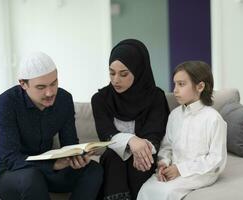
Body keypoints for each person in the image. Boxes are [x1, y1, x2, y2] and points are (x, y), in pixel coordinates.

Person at [0, 52, 103, 200]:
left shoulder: (64, 99)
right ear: (23, 84)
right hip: (11, 173)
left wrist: (77, 157)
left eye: (54, 83)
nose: (50, 93)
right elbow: (10, 158)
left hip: (47, 173)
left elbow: (70, 144)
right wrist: (52, 165)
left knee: (93, 170)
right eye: (41, 87)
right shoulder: (7, 102)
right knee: (31, 177)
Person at [91, 39, 170, 200]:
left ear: (139, 70)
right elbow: (106, 134)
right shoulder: (100, 99)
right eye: (112, 73)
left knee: (140, 160)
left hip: (146, 158)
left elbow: (154, 135)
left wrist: (139, 148)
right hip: (114, 160)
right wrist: (132, 141)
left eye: (123, 74)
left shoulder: (156, 97)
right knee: (114, 156)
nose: (116, 80)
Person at [137, 61, 227, 200]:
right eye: (175, 84)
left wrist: (180, 169)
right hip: (174, 169)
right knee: (146, 189)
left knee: (167, 192)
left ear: (200, 86)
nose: (175, 90)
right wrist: (163, 164)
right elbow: (167, 147)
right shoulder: (174, 115)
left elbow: (216, 159)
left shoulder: (213, 119)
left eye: (181, 84)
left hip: (201, 173)